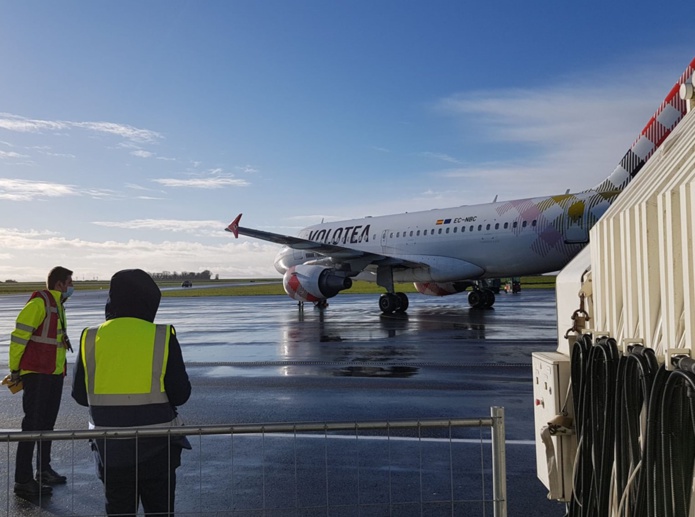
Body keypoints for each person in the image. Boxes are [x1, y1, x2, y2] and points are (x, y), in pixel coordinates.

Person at [71, 269, 191, 516]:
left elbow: (80, 396)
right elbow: (181, 394)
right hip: (158, 450)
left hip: (111, 450)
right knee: (160, 510)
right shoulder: (161, 335)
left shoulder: (90, 337)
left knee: (118, 510)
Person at [9, 266, 74, 498]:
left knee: (47, 425)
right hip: (36, 373)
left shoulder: (57, 305)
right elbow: (18, 338)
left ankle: (43, 470)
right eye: (69, 283)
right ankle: (23, 480)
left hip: (53, 374)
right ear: (59, 285)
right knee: (31, 427)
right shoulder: (39, 304)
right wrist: (15, 369)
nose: (71, 287)